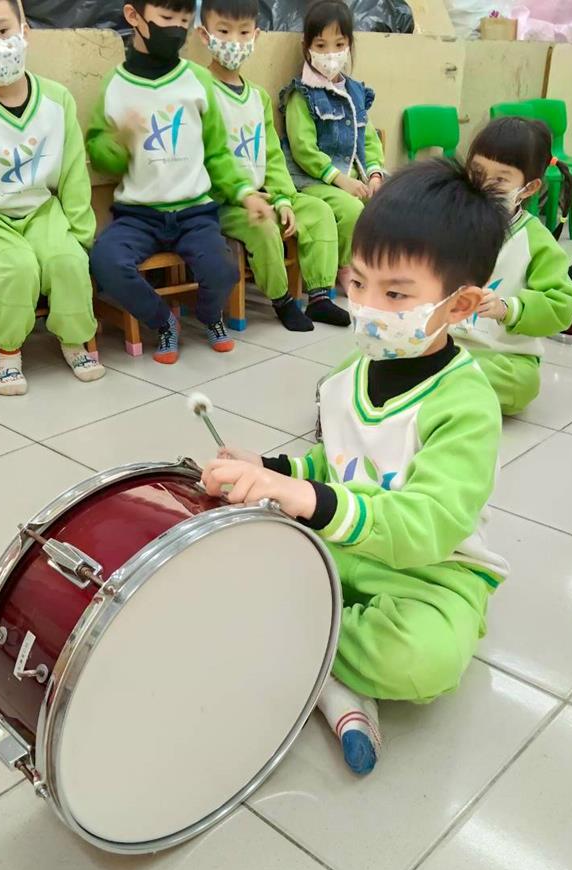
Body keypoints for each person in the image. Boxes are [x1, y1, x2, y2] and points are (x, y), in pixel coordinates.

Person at [202, 159, 510, 776]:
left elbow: (429, 523)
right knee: (225, 569)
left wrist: (306, 499)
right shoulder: (348, 375)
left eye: (395, 295)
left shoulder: (468, 405)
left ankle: (311, 660)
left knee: (423, 660)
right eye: (358, 281)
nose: (366, 307)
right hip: (341, 546)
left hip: (431, 572)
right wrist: (267, 466)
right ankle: (330, 670)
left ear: (460, 304)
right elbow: (335, 461)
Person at [87, 0, 273, 364]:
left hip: (194, 213)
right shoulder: (115, 85)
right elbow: (101, 154)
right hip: (137, 215)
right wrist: (118, 141)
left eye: (184, 20)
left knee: (223, 271)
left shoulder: (198, 80)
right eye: (167, 18)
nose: (176, 28)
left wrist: (245, 192)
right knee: (106, 261)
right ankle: (164, 323)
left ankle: (209, 316)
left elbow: (217, 153)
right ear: (134, 16)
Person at [0, 0, 105, 396]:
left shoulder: (58, 99)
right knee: (14, 270)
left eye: (2, 31)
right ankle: (8, 352)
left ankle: (74, 340)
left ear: (24, 30)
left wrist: (80, 234)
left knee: (67, 262)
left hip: (44, 211)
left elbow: (73, 173)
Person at [198, 0, 349, 332]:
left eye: (243, 32)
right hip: (222, 202)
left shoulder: (258, 97)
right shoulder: (199, 90)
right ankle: (282, 301)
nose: (235, 41)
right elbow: (205, 159)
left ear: (256, 35)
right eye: (224, 31)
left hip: (264, 194)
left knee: (319, 211)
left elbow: (273, 156)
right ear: (204, 35)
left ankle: (320, 296)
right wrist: (245, 196)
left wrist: (282, 198)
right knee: (263, 225)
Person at [455, 117, 572, 416]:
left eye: (500, 180)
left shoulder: (536, 240)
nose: (483, 185)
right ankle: (445, 384)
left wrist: (508, 309)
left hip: (501, 355)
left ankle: (435, 385)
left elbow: (563, 303)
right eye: (476, 172)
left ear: (528, 188)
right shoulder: (446, 218)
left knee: (521, 384)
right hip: (441, 343)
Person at [279, 0, 385, 295]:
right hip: (314, 181)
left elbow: (368, 138)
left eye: (339, 44)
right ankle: (345, 268)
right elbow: (303, 149)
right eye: (321, 45)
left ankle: (377, 269)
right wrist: (341, 180)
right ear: (306, 47)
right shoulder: (301, 95)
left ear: (350, 44)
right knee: (351, 209)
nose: (330, 54)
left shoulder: (355, 91)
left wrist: (374, 174)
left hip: (353, 177)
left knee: (389, 204)